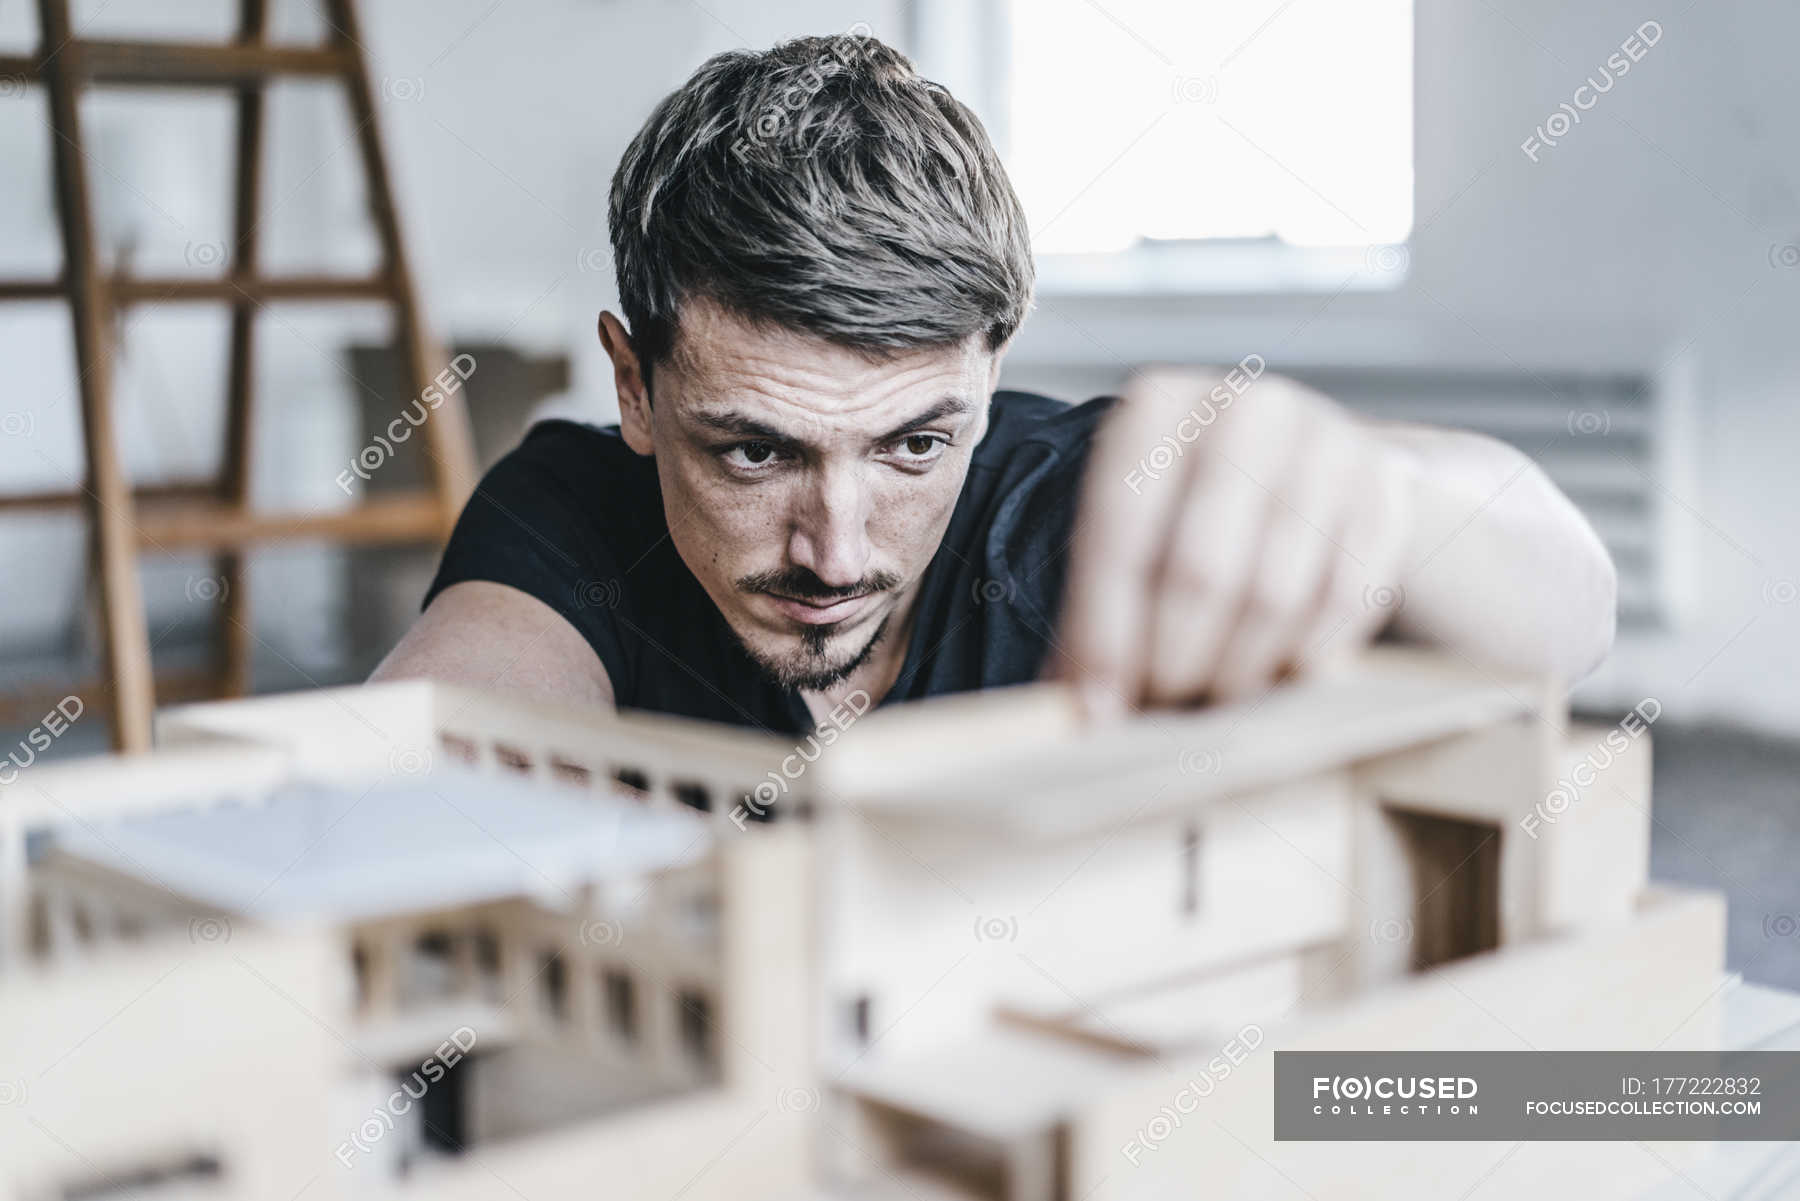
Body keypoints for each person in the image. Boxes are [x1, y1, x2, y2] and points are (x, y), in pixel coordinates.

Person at [373, 33, 1615, 734]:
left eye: (916, 445)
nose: (836, 551)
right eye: (756, 452)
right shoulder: (572, 507)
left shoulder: (1095, 501)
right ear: (635, 388)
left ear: (990, 372)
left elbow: (1571, 613)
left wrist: (1386, 497)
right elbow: (434, 749)